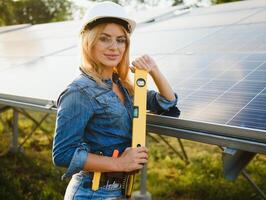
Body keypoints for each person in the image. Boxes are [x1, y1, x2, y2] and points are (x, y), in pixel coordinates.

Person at [52, 1, 178, 199]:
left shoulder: (123, 86)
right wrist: (119, 163)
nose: (114, 47)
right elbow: (63, 154)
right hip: (90, 192)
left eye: (120, 40)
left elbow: (166, 102)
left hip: (119, 190)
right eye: (105, 39)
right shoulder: (79, 91)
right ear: (89, 41)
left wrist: (154, 70)